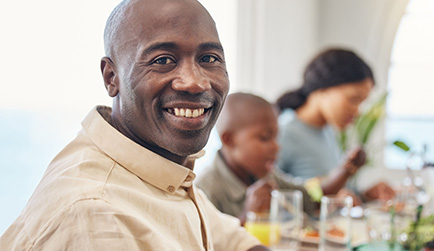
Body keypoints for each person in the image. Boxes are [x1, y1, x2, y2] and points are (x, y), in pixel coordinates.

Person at [0, 0, 268, 250]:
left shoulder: (159, 166)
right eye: (163, 60)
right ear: (111, 77)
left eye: (209, 59)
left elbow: (232, 241)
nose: (194, 82)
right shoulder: (96, 213)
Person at [195, 92, 352, 224]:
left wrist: (347, 169)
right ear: (229, 140)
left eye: (276, 138)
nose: (276, 146)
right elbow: (205, 242)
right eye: (265, 138)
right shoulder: (205, 190)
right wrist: (248, 215)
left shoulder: (267, 176)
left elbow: (309, 198)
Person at [275, 48, 395, 202]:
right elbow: (274, 196)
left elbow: (333, 189)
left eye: (362, 103)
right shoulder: (284, 131)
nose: (358, 111)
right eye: (353, 99)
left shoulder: (327, 131)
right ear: (323, 89)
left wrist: (365, 195)